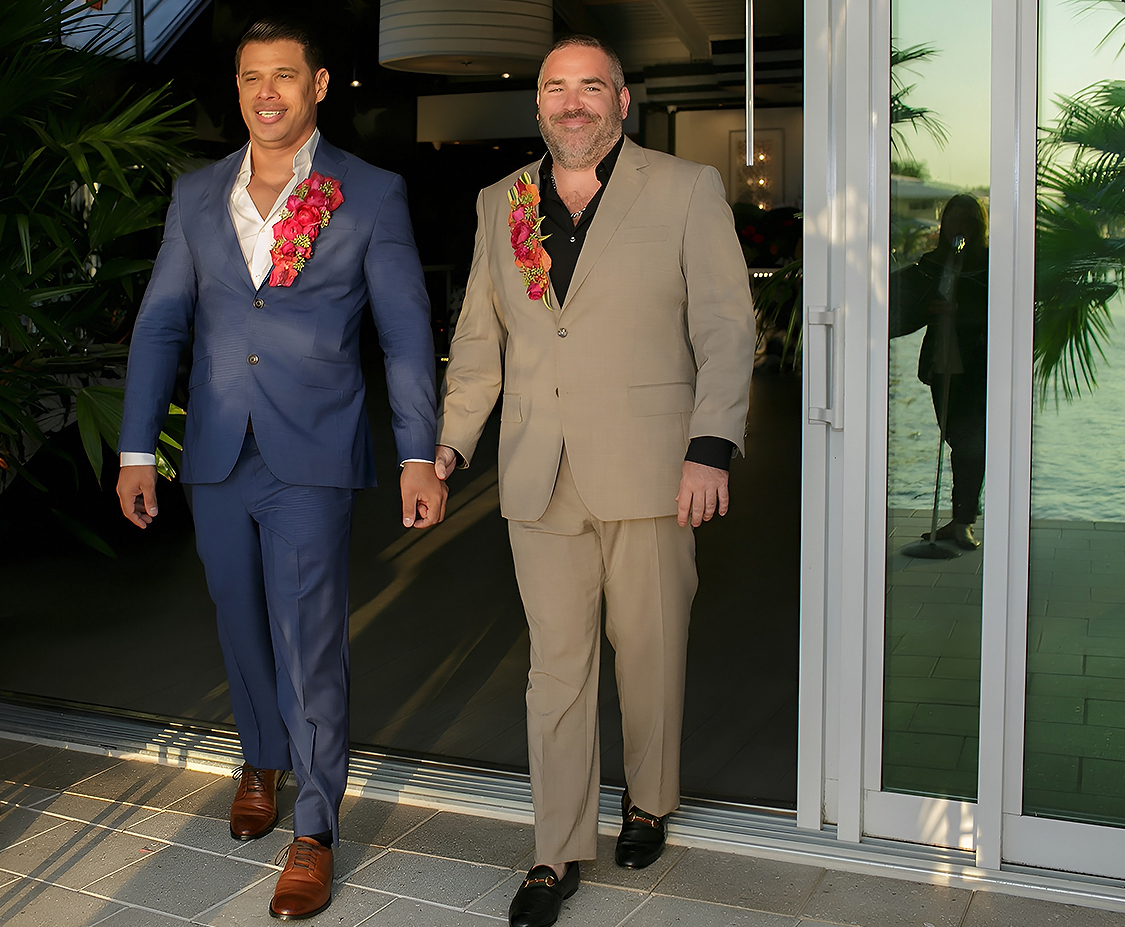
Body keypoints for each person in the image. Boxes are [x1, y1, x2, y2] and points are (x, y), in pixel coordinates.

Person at [115, 20, 446, 920]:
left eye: (286, 77)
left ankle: (314, 825)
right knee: (237, 617)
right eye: (251, 78)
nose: (268, 93)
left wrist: (421, 451)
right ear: (237, 88)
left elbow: (406, 333)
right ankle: (259, 756)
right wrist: (138, 449)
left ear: (320, 85)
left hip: (312, 453)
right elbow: (160, 326)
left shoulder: (369, 193)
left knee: (309, 636)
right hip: (217, 450)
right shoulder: (196, 195)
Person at [434, 35, 755, 927]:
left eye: (589, 87)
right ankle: (554, 849)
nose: (571, 104)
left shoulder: (684, 188)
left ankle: (649, 798)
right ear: (537, 104)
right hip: (538, 472)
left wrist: (711, 446)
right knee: (556, 669)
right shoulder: (500, 203)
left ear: (621, 99)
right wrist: (449, 447)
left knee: (649, 653)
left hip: (654, 467)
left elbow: (728, 326)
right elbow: (477, 341)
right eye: (554, 89)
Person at [890, 193, 989, 550]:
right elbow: (908, 301)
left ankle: (963, 521)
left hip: (976, 363)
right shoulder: (933, 263)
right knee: (958, 439)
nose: (957, 226)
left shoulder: (988, 264)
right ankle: (959, 520)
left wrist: (955, 312)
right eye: (952, 219)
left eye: (966, 220)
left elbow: (992, 312)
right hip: (943, 362)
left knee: (970, 442)